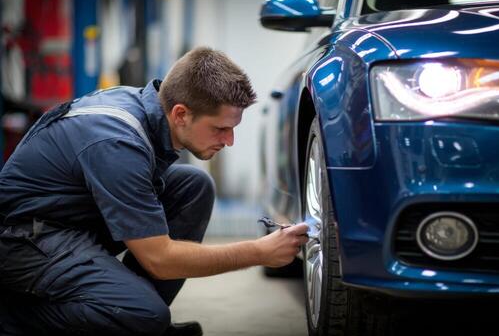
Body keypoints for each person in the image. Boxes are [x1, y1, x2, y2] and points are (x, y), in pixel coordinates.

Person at [0, 47, 309, 336]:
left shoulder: (145, 112)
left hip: (66, 220)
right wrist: (258, 253)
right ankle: (12, 318)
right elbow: (159, 259)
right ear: (180, 114)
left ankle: (135, 318)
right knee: (146, 316)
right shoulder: (117, 143)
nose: (229, 141)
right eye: (219, 128)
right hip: (25, 241)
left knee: (193, 186)